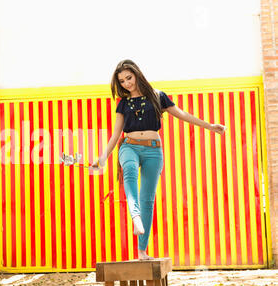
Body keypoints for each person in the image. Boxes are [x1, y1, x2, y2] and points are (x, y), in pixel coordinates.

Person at [91, 59, 226, 260]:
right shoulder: (123, 103)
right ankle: (134, 215)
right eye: (122, 81)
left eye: (129, 78)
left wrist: (209, 126)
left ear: (137, 74)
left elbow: (182, 114)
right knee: (128, 171)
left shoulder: (157, 96)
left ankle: (142, 251)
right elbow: (115, 133)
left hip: (153, 151)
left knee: (148, 199)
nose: (127, 83)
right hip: (129, 146)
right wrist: (102, 158)